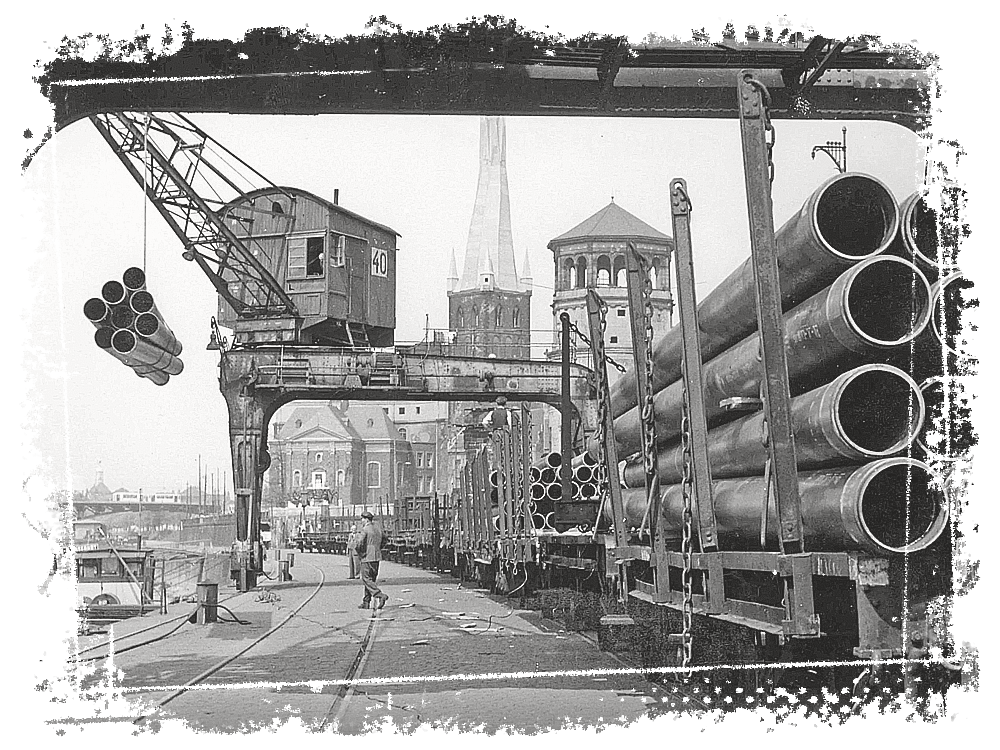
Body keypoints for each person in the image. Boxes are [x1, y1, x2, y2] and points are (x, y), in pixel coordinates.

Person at [354, 511, 388, 610]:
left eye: (362, 519)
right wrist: (378, 548)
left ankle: (380, 595)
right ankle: (366, 602)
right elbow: (385, 539)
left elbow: (359, 544)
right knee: (371, 579)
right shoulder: (378, 529)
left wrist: (361, 553)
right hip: (376, 557)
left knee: (366, 579)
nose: (361, 521)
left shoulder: (365, 529)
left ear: (366, 519)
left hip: (367, 557)